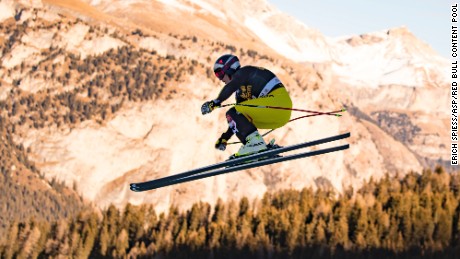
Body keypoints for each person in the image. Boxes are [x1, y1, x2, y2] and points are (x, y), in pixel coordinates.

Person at [201, 54, 293, 157]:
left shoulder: (244, 72)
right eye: (218, 76)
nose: (220, 79)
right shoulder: (240, 92)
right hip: (280, 115)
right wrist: (225, 138)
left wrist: (215, 102)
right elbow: (237, 120)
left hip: (278, 102)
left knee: (233, 111)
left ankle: (256, 145)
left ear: (229, 68)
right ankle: (258, 150)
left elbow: (230, 87)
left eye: (220, 73)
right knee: (237, 116)